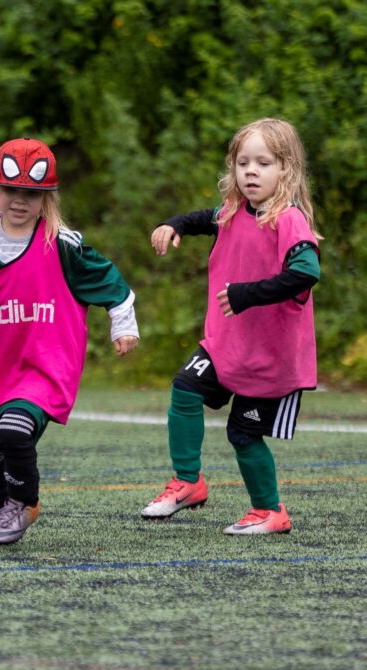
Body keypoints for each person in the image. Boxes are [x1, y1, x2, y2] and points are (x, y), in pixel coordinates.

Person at [0, 137, 139, 546]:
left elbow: (110, 281)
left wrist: (123, 325)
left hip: (42, 367)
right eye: (11, 190)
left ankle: (25, 502)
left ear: (47, 197)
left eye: (32, 193)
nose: (20, 201)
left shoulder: (62, 243)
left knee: (14, 430)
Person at [140, 118, 321, 535]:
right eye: (243, 163)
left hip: (270, 359)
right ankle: (189, 482)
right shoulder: (235, 210)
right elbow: (207, 217)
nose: (251, 171)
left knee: (242, 434)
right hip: (225, 346)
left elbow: (307, 271)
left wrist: (247, 294)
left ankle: (270, 511)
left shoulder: (289, 219)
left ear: (286, 170)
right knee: (184, 389)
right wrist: (175, 224)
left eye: (263, 162)